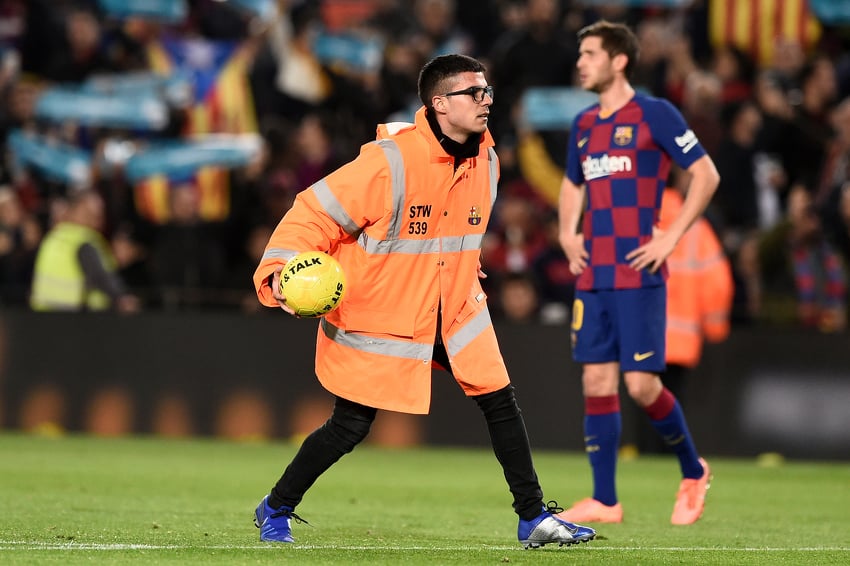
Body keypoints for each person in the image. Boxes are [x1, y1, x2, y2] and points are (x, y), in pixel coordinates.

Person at [250, 54, 596, 548]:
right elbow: (313, 212)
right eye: (472, 93)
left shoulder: (489, 160)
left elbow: (456, 233)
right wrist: (277, 272)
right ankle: (276, 507)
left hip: (455, 309)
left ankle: (533, 516)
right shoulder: (389, 162)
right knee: (349, 426)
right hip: (385, 314)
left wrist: (464, 263)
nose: (485, 101)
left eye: (487, 92)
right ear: (439, 104)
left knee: (501, 403)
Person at [556, 21, 719, 525]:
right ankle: (605, 499)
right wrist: (567, 233)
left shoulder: (655, 114)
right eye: (580, 54)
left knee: (642, 386)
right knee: (596, 379)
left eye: (589, 54)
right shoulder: (583, 124)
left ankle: (693, 472)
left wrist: (671, 237)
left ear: (619, 59)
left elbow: (706, 174)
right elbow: (571, 185)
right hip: (594, 274)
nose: (580, 62)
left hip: (638, 270)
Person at [635, 174, 734, 455]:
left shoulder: (633, 223)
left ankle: (644, 458)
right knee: (670, 403)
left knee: (642, 402)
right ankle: (671, 458)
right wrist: (715, 328)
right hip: (681, 340)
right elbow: (718, 282)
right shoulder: (695, 229)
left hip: (639, 334)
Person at [29, 189, 139, 313]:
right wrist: (121, 298)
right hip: (77, 320)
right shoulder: (83, 240)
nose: (96, 218)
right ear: (74, 211)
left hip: (43, 317)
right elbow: (99, 275)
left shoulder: (53, 237)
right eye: (90, 213)